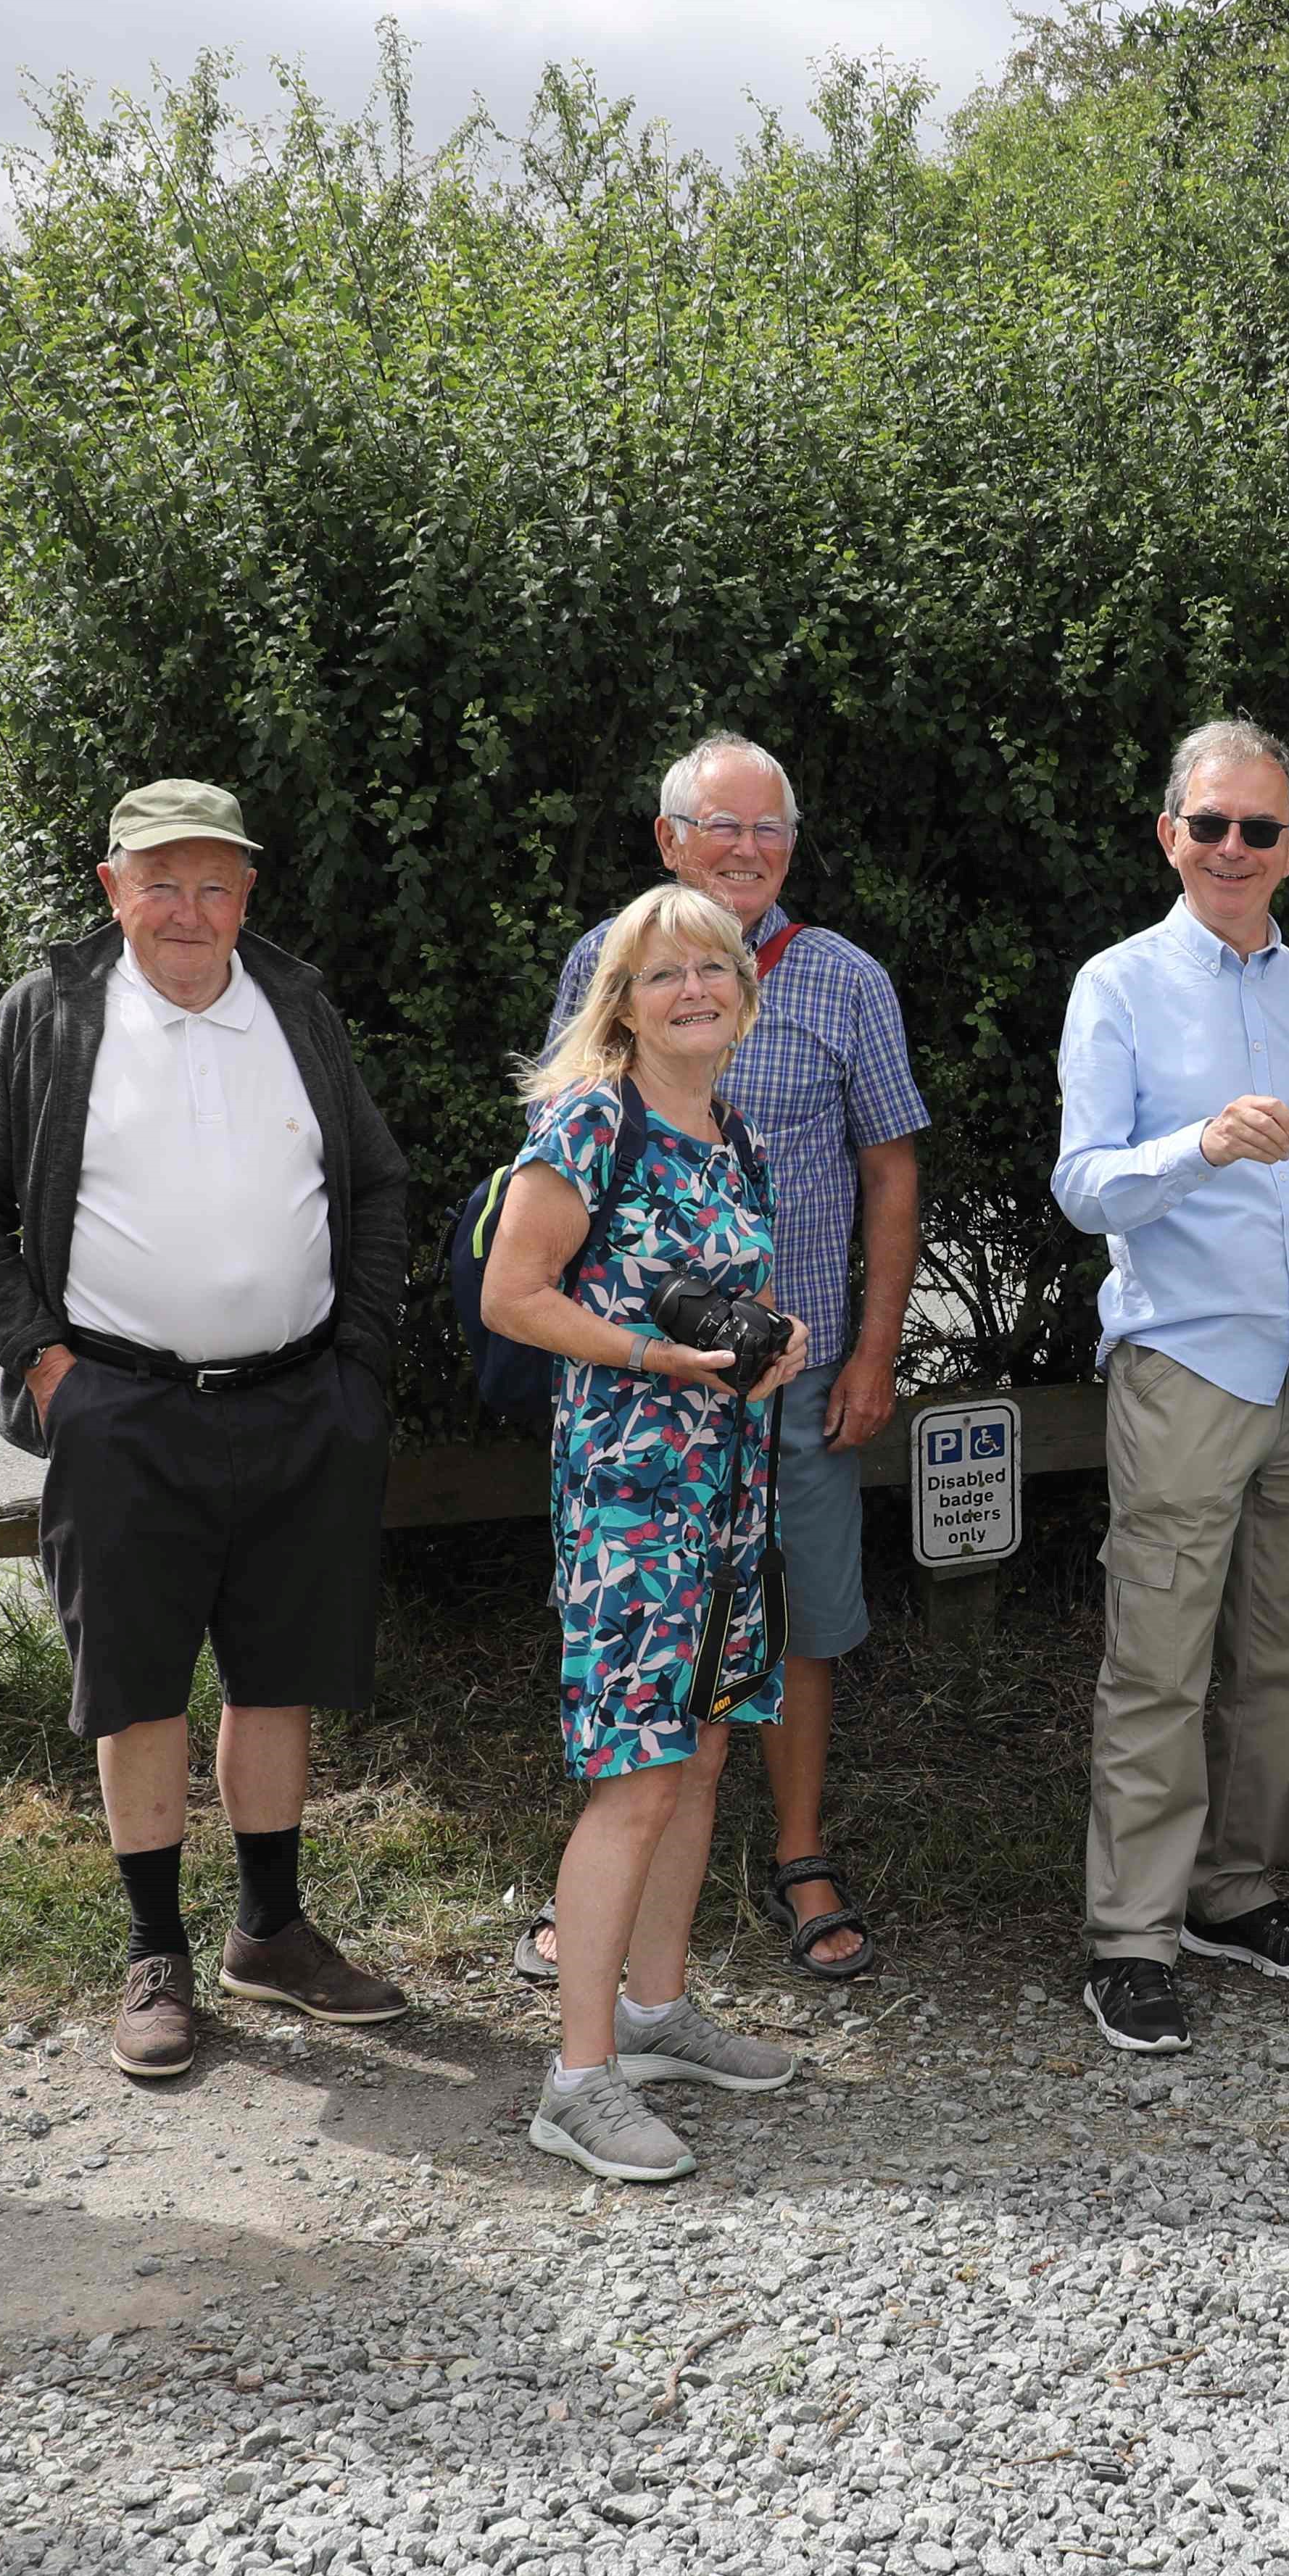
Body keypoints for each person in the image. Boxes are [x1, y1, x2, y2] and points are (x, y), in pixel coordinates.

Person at [0, 778, 417, 2086]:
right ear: (112, 889)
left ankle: (270, 1929)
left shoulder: (294, 1007)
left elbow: (373, 1187)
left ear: (247, 894)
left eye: (214, 885)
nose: (189, 911)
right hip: (122, 1413)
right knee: (134, 1680)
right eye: (162, 883)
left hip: (303, 1398)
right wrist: (42, 1362)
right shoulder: (52, 1014)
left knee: (278, 1670)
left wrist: (361, 1357)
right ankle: (156, 1952)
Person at [526, 734, 927, 1985]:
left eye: (769, 831)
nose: (745, 851)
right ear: (668, 840)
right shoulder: (609, 961)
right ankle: (607, 1880)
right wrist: (642, 1343)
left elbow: (888, 1169)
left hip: (789, 1384)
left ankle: (799, 1852)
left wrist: (873, 1351)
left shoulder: (845, 979)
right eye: (720, 827)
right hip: (640, 1397)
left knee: (797, 1616)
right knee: (642, 1643)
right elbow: (555, 1165)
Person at [476, 883, 816, 2180]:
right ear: (620, 1001)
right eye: (664, 975)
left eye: (714, 971)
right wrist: (654, 1357)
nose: (694, 992)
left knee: (703, 1746)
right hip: (630, 1497)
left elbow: (733, 1301)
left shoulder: (733, 1130)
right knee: (634, 1771)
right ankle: (574, 2079)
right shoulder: (588, 1122)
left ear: (744, 991)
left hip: (728, 1483)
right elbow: (516, 1297)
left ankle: (657, 2012)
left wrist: (763, 1350)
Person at [1050, 719, 1289, 2056]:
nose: (1231, 848)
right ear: (1167, 834)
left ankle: (1231, 1893)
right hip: (1189, 1359)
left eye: (1259, 828)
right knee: (1161, 1662)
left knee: (1287, 1657)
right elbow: (1081, 1185)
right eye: (1208, 824)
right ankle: (1128, 1932)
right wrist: (1190, 1145)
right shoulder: (1116, 984)